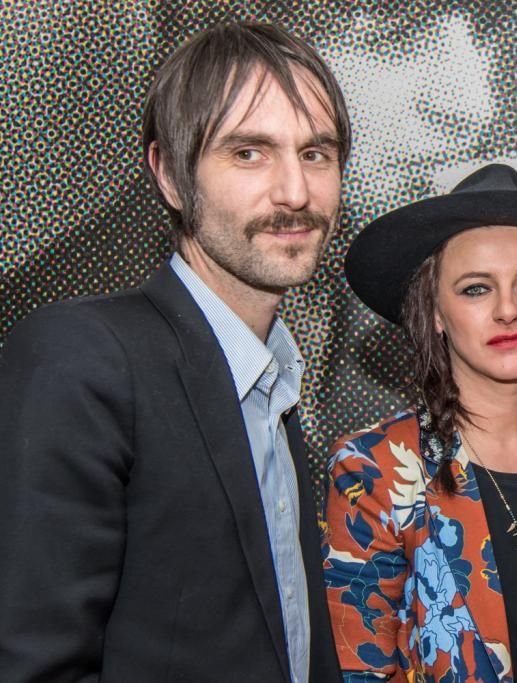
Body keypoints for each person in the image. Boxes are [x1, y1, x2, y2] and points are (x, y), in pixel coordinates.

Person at [0, 22, 348, 682]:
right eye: (249, 153)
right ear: (169, 175)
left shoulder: (273, 380)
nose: (295, 191)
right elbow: (35, 662)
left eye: (316, 153)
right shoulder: (83, 358)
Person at [323, 163, 517, 682]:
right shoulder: (374, 471)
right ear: (436, 313)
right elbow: (360, 669)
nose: (508, 310)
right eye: (476, 289)